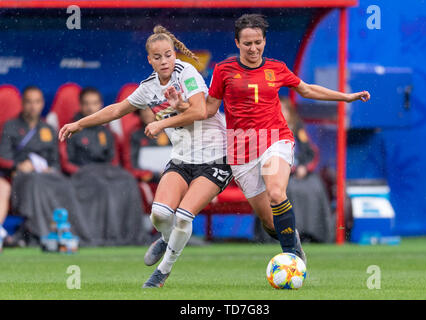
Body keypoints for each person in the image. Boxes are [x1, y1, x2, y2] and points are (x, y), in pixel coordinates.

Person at [59, 26, 231, 288]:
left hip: (215, 158)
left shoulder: (187, 73)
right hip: (182, 159)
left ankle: (162, 271)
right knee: (160, 215)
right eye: (158, 57)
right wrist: (79, 124)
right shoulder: (148, 88)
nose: (164, 61)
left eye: (168, 55)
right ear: (149, 59)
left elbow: (198, 111)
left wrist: (161, 124)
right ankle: (165, 238)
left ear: (175, 55)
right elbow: (116, 109)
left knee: (184, 216)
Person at [202, 14, 370, 261]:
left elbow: (308, 89)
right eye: (247, 43)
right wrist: (178, 111)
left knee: (277, 193)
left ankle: (293, 256)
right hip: (241, 150)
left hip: (275, 138)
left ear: (264, 41)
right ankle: (293, 240)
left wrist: (346, 97)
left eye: (258, 42)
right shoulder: (223, 71)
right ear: (237, 43)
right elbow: (208, 109)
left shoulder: (276, 68)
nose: (253, 48)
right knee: (270, 222)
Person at [0, 86, 90, 244]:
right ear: (22, 103)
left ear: (42, 104)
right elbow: (3, 158)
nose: (33, 106)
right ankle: (39, 231)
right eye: (29, 102)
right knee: (35, 181)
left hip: (46, 175)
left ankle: (66, 231)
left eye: (37, 102)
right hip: (21, 177)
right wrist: (18, 166)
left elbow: (55, 162)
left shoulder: (47, 128)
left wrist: (50, 169)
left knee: (65, 184)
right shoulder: (11, 126)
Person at [59, 87, 146, 246]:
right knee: (101, 185)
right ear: (80, 105)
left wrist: (104, 171)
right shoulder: (73, 128)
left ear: (101, 105)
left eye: (94, 103)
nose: (91, 107)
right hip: (81, 176)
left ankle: (129, 235)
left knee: (128, 181)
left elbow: (113, 161)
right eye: (87, 104)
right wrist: (86, 172)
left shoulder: (106, 132)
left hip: (105, 173)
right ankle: (101, 235)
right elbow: (66, 163)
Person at [280, 97, 335, 243]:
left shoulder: (298, 128)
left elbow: (309, 152)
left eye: (284, 110)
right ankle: (288, 233)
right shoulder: (268, 130)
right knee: (289, 190)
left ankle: (313, 233)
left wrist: (303, 167)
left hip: (301, 172)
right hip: (281, 174)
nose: (281, 113)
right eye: (278, 110)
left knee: (315, 187)